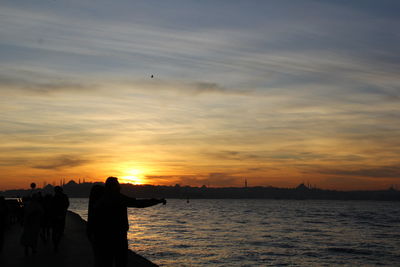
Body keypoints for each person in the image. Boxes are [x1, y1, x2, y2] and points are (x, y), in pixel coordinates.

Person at [91, 177, 166, 267]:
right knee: (121, 262)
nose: (120, 187)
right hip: (118, 237)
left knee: (106, 262)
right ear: (113, 187)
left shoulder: (101, 200)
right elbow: (138, 203)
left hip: (104, 238)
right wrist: (157, 201)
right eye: (117, 185)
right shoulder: (118, 198)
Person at [51, 186, 69, 252]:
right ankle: (56, 244)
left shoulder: (54, 198)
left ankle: (55, 244)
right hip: (60, 215)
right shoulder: (64, 197)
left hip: (56, 216)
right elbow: (67, 204)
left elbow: (51, 207)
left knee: (55, 231)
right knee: (59, 231)